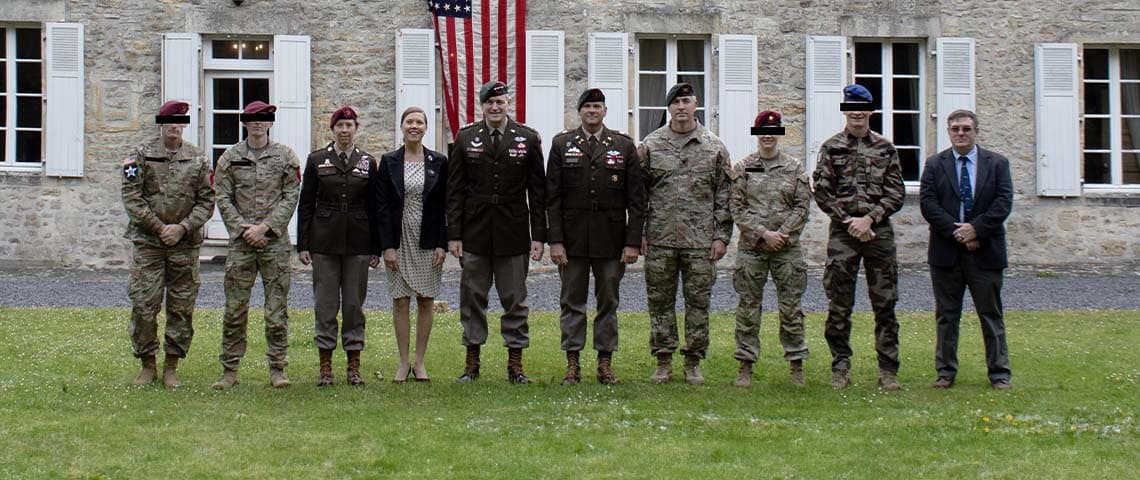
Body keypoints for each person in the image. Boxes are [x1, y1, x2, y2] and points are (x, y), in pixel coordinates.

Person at [447, 81, 547, 384]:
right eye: (489, 103)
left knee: (515, 298)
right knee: (472, 297)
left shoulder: (527, 139)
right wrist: (454, 234)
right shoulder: (466, 138)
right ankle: (472, 363)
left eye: (500, 102)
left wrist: (538, 236)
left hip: (513, 230)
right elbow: (455, 191)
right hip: (476, 231)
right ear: (482, 106)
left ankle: (515, 364)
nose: (495, 108)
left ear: (508, 104)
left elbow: (538, 193)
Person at [546, 88, 646, 385]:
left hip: (611, 240)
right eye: (587, 106)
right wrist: (555, 241)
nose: (592, 111)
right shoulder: (562, 144)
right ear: (580, 111)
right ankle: (572, 362)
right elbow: (552, 198)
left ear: (605, 111)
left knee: (608, 302)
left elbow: (636, 200)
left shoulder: (623, 146)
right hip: (573, 239)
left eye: (597, 106)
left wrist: (632, 241)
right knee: (572, 301)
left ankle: (605, 362)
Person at [638, 83, 733, 385]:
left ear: (696, 105)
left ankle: (693, 361)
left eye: (686, 101)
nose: (681, 107)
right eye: (675, 102)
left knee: (698, 304)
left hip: (700, 242)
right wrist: (638, 234)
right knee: (660, 302)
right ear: (668, 108)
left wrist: (721, 237)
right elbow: (638, 196)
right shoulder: (651, 146)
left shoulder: (714, 147)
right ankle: (663, 360)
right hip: (660, 238)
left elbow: (725, 195)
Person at [812, 84, 905, 390]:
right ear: (845, 111)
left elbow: (896, 193)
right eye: (850, 107)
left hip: (878, 235)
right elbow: (822, 190)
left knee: (885, 304)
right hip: (844, 234)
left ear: (870, 111)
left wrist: (870, 219)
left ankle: (888, 370)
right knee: (839, 303)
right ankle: (840, 367)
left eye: (861, 107)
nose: (856, 113)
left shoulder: (885, 148)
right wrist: (848, 220)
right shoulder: (831, 147)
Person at [120, 99, 214, 388]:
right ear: (161, 124)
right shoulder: (140, 156)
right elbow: (132, 198)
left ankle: (172, 365)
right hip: (149, 243)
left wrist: (182, 228)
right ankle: (147, 364)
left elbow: (207, 201)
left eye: (179, 122)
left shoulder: (198, 159)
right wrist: (160, 228)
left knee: (181, 307)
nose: (174, 127)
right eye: (169, 122)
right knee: (144, 305)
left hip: (184, 245)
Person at [919, 109, 1013, 390]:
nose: (960, 133)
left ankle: (999, 373)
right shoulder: (935, 164)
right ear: (948, 132)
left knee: (990, 314)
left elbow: (1003, 201)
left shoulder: (997, 163)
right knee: (947, 315)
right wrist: (958, 232)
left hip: (985, 250)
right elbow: (928, 204)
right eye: (955, 129)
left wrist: (977, 230)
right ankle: (945, 372)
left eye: (966, 129)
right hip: (946, 252)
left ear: (976, 131)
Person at [211, 100, 302, 390]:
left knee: (276, 310)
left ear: (270, 123)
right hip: (241, 245)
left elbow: (291, 195)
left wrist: (266, 227)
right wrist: (243, 229)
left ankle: (277, 368)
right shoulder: (229, 158)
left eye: (263, 119)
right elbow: (222, 197)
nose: (258, 124)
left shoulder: (286, 157)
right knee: (235, 308)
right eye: (253, 119)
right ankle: (230, 369)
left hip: (274, 243)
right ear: (245, 123)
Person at [297, 106, 380, 387]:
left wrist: (376, 248)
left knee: (355, 304)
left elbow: (375, 207)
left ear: (356, 129)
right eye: (340, 126)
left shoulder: (368, 162)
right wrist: (303, 244)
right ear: (332, 129)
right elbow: (306, 203)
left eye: (349, 125)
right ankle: (326, 366)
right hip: (324, 241)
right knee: (326, 304)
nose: (345, 130)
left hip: (359, 241)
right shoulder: (317, 160)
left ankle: (354, 366)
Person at [729, 110, 811, 387]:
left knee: (791, 308)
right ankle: (745, 365)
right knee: (748, 308)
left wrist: (782, 234)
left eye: (773, 131)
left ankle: (796, 365)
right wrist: (764, 234)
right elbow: (736, 208)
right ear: (756, 134)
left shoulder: (795, 168)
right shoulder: (743, 168)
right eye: (763, 131)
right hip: (753, 248)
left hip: (786, 249)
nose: (768, 136)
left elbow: (802, 206)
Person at [377, 106, 448, 383]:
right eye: (409, 122)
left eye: (419, 122)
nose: (414, 126)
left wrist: (442, 243)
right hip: (399, 235)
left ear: (426, 128)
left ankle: (420, 361)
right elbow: (381, 206)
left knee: (426, 299)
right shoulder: (389, 161)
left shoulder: (439, 162)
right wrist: (387, 246)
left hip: (427, 236)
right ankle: (403, 361)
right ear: (402, 126)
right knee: (400, 300)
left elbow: (444, 205)